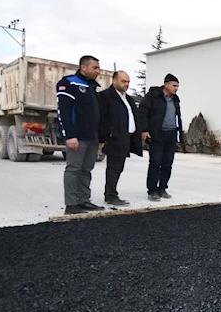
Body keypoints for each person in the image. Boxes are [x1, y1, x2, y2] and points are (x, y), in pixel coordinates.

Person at [56, 55, 105, 215]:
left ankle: (84, 200)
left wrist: (101, 137)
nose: (98, 71)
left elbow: (98, 114)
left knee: (86, 170)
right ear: (83, 67)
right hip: (77, 136)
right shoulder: (69, 83)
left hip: (92, 136)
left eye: (98, 68)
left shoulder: (92, 87)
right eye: (95, 68)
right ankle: (71, 204)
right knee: (74, 169)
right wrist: (69, 135)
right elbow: (64, 112)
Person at [98, 70, 143, 206]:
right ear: (114, 81)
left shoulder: (128, 98)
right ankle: (110, 195)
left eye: (128, 81)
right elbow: (101, 119)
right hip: (113, 138)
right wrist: (103, 138)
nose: (126, 84)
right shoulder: (105, 96)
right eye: (123, 81)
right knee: (113, 168)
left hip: (126, 138)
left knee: (119, 167)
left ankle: (112, 193)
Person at [138, 73, 183, 201]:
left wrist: (180, 135)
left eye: (177, 86)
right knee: (155, 162)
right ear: (166, 84)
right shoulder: (153, 96)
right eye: (174, 85)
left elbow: (177, 116)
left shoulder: (175, 99)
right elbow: (143, 112)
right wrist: (145, 130)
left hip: (171, 134)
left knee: (168, 163)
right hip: (157, 134)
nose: (176, 88)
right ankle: (152, 190)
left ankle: (162, 188)